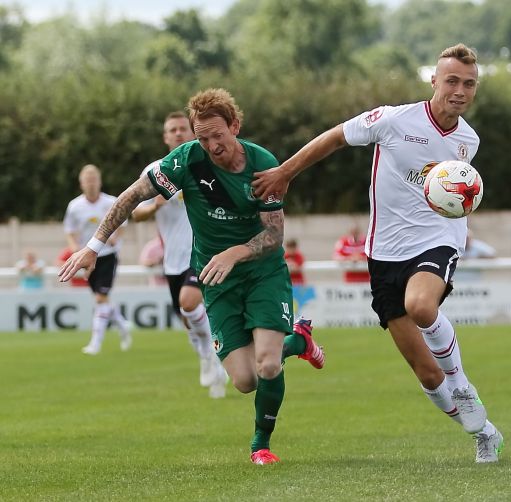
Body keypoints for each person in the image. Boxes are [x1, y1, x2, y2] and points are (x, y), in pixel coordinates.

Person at [252, 44, 503, 464]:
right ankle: (484, 432)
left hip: (438, 239)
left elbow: (458, 194)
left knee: (421, 305)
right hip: (384, 254)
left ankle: (461, 381)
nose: (459, 90)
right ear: (435, 81)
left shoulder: (467, 140)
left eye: (469, 83)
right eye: (452, 81)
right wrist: (284, 173)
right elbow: (334, 137)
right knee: (426, 373)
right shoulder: (392, 119)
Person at [59, 89, 325, 465]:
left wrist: (235, 253)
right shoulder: (186, 161)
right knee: (245, 380)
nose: (212, 145)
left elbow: (274, 235)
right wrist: (93, 245)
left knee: (267, 364)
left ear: (235, 125)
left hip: (262, 272)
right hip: (216, 279)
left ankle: (260, 445)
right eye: (203, 138)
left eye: (218, 135)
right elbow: (133, 195)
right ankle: (298, 342)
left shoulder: (264, 164)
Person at [131, 111, 227, 399]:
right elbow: (135, 213)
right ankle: (205, 355)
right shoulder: (155, 170)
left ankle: (214, 356)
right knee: (187, 318)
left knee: (189, 302)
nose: (177, 133)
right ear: (165, 136)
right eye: (172, 129)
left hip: (204, 252)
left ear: (193, 132)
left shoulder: (206, 165)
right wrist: (156, 204)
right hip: (172, 259)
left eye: (182, 128)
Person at [63, 164, 132, 354]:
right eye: (87, 180)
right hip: (87, 257)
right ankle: (123, 325)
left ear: (100, 182)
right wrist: (73, 248)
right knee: (101, 298)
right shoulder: (75, 206)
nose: (91, 183)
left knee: (101, 298)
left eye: (94, 179)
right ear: (81, 183)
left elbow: (123, 222)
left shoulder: (111, 202)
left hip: (107, 256)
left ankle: (95, 343)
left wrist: (116, 238)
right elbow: (69, 230)